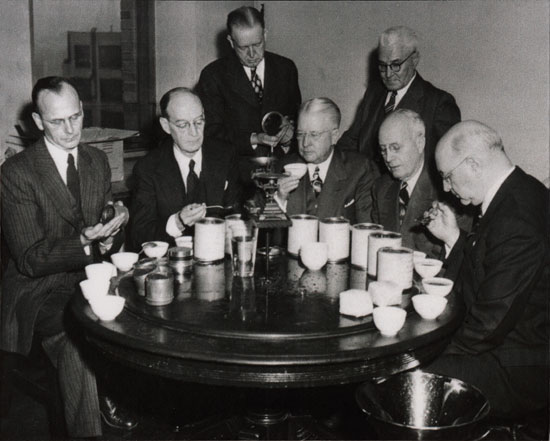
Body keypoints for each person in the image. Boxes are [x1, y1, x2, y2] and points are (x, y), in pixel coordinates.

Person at [1, 77, 136, 437]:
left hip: (90, 276)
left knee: (143, 312)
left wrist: (116, 224)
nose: (70, 129)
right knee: (80, 335)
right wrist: (86, 243)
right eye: (58, 121)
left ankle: (114, 394)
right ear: (37, 121)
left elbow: (105, 223)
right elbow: (30, 259)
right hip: (39, 289)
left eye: (75, 117)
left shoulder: (95, 160)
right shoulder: (16, 173)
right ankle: (88, 428)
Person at [423, 120, 549, 417]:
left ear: (473, 164)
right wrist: (454, 238)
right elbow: (492, 266)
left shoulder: (516, 217)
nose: (445, 187)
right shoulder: (519, 191)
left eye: (448, 177)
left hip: (520, 366)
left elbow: (488, 325)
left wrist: (424, 353)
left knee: (405, 375)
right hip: (510, 346)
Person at [337, 26, 460, 173]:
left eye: (396, 65)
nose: (388, 74)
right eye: (382, 66)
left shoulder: (439, 104)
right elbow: (351, 142)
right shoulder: (373, 94)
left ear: (414, 60)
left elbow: (445, 164)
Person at [130, 87, 240, 249]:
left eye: (199, 122)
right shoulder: (148, 168)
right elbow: (139, 235)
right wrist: (178, 222)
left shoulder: (225, 155)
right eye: (183, 125)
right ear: (166, 126)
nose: (194, 133)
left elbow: (238, 215)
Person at [196, 6, 301, 159]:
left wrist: (289, 137)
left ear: (265, 34)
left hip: (281, 165)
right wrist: (254, 138)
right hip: (235, 169)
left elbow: (297, 117)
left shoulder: (286, 68)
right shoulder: (212, 75)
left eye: (257, 44)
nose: (252, 54)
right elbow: (210, 132)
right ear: (231, 42)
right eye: (243, 47)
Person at [372, 109, 471, 258]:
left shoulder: (451, 193)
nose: (388, 158)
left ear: (420, 142)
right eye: (383, 150)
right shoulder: (381, 188)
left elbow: (460, 259)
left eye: (395, 148)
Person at [275, 98, 377, 224]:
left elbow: (366, 230)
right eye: (300, 134)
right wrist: (280, 198)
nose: (305, 143)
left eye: (314, 135)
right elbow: (263, 231)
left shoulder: (360, 169)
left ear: (334, 136)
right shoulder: (281, 167)